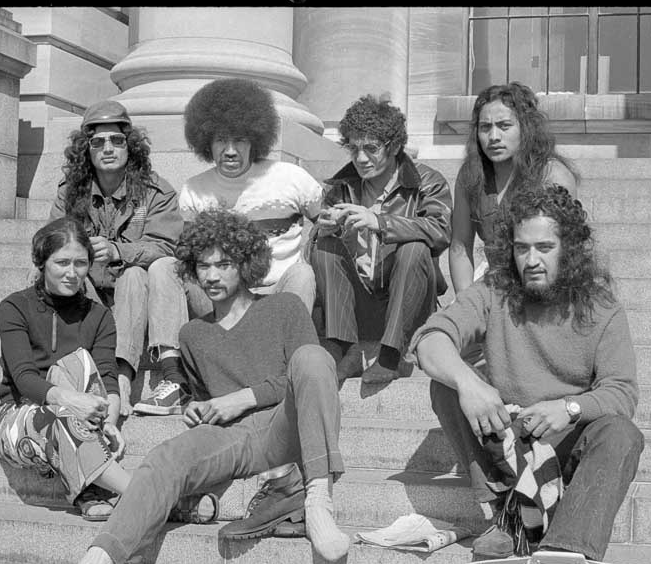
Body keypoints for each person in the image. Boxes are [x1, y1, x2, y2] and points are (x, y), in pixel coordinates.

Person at [28, 209, 349, 564]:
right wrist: (198, 407)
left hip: (286, 427)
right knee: (164, 457)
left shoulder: (284, 307)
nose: (213, 276)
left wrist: (242, 397)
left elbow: (309, 376)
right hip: (233, 439)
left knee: (315, 358)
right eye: (204, 266)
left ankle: (319, 500)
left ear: (246, 264)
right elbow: (205, 395)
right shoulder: (192, 334)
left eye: (224, 264)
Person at [408, 184, 643, 561]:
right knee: (447, 386)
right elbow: (430, 338)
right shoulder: (494, 289)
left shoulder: (602, 307)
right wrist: (469, 383)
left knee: (621, 433)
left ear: (569, 249)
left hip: (564, 439)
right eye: (522, 248)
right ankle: (511, 515)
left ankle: (563, 550)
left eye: (545, 248)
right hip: (507, 438)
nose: (532, 260)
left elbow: (622, 392)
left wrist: (567, 408)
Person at [132, 77, 323, 416]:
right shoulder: (194, 190)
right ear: (206, 142)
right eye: (221, 141)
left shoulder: (292, 178)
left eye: (240, 140)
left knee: (304, 275)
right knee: (164, 267)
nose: (231, 150)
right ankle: (173, 377)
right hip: (219, 295)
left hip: (275, 293)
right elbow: (191, 254)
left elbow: (327, 222)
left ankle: (288, 371)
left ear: (257, 140)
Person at [50, 99, 198, 418]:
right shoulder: (69, 193)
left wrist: (120, 251)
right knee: (47, 273)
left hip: (136, 296)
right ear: (85, 149)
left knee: (137, 273)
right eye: (98, 141)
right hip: (91, 294)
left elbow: (170, 247)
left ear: (130, 147)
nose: (108, 148)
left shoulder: (155, 192)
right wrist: (80, 252)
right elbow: (51, 244)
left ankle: (120, 378)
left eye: (117, 140)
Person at [0, 216, 131, 521]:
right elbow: (24, 378)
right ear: (41, 263)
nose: (71, 273)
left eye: (80, 263)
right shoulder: (14, 307)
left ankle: (90, 488)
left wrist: (110, 421)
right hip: (21, 419)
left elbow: (106, 377)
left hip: (82, 418)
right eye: (61, 262)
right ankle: (147, 495)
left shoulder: (100, 316)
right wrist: (71, 401)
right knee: (60, 418)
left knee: (79, 364)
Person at [308, 94, 452, 384]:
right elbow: (316, 250)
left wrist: (381, 222)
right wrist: (321, 230)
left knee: (413, 247)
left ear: (395, 146)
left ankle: (392, 354)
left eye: (371, 148)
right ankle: (345, 350)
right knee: (324, 247)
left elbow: (439, 230)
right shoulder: (341, 188)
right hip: (358, 303)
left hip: (407, 298)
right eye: (354, 148)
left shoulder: (427, 181)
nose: (361, 158)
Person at [449, 82, 578, 295]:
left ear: (526, 128)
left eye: (504, 125)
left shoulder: (553, 176)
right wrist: (465, 304)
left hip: (543, 287)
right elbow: (460, 245)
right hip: (493, 283)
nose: (493, 137)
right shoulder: (470, 175)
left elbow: (566, 252)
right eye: (485, 127)